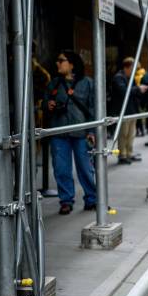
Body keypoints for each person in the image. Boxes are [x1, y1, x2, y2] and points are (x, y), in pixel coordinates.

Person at [43, 50, 96, 215]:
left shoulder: (87, 83)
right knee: (61, 169)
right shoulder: (53, 84)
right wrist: (48, 105)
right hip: (59, 133)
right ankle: (66, 201)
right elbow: (44, 104)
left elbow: (93, 108)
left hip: (81, 133)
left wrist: (92, 131)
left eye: (61, 60)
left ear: (71, 64)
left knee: (86, 168)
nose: (57, 63)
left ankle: (91, 199)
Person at [111, 57, 148, 164]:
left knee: (131, 134)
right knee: (124, 134)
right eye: (133, 68)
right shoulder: (118, 78)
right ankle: (122, 155)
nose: (135, 71)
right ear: (127, 67)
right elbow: (124, 91)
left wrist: (139, 90)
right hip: (123, 110)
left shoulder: (129, 77)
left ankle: (129, 153)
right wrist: (138, 88)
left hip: (131, 109)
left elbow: (131, 92)